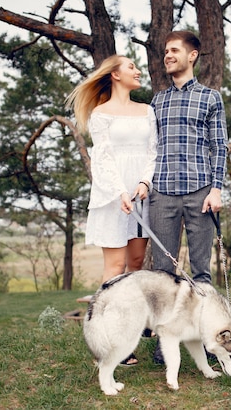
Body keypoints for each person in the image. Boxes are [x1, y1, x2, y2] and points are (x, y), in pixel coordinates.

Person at [66, 55, 157, 366]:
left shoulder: (147, 111)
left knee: (135, 266)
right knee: (114, 268)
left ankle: (128, 332)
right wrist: (120, 191)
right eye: (131, 66)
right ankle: (104, 341)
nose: (137, 70)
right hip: (112, 197)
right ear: (115, 75)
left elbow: (152, 151)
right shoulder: (101, 114)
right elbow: (102, 160)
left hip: (141, 195)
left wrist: (144, 182)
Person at [149, 31, 228, 365]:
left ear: (192, 55)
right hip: (162, 194)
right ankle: (164, 342)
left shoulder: (211, 98)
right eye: (166, 51)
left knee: (201, 274)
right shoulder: (156, 102)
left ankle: (205, 341)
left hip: (200, 193)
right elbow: (148, 148)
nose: (168, 55)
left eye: (175, 50)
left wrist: (217, 188)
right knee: (163, 275)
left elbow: (219, 145)